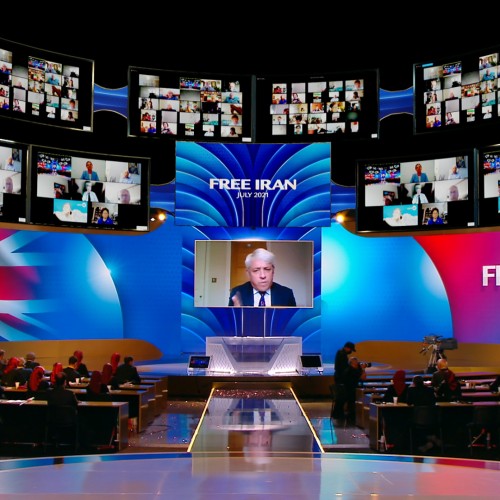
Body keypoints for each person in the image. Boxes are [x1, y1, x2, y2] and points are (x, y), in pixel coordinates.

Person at [228, 248, 296, 307]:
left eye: (267, 269)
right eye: (256, 270)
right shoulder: (237, 293)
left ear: (273, 271)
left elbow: (293, 321)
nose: (263, 276)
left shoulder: (287, 294)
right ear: (248, 273)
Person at [332, 341, 356, 418]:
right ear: (347, 348)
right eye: (350, 350)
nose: (351, 352)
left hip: (339, 377)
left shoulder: (340, 353)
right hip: (341, 379)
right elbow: (343, 368)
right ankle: (338, 413)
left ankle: (338, 413)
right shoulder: (342, 354)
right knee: (341, 397)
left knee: (340, 397)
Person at [340, 357, 367, 424]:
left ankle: (352, 415)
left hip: (348, 391)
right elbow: (363, 378)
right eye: (356, 361)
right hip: (352, 392)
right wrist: (363, 369)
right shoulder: (352, 370)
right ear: (353, 363)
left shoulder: (350, 370)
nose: (358, 363)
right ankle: (355, 416)